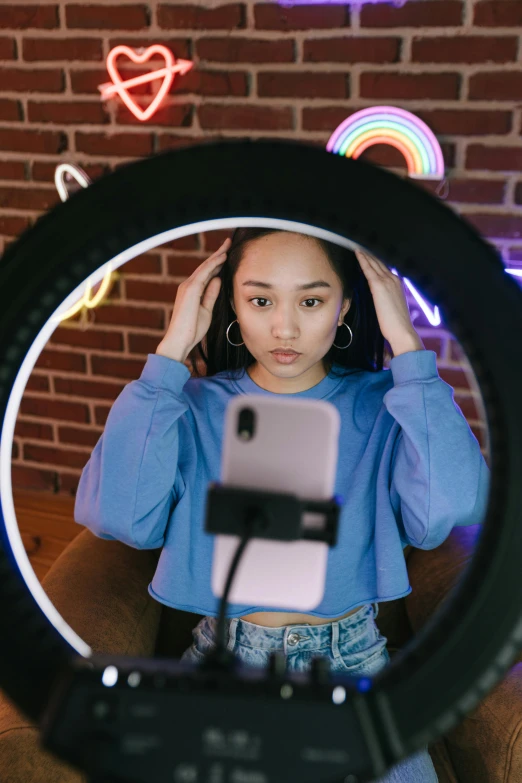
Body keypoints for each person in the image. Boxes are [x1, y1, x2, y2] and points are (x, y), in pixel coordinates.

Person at [74, 227, 490, 782]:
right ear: (232, 306)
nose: (284, 327)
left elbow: (453, 506)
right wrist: (171, 354)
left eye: (312, 301)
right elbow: (119, 516)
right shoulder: (192, 406)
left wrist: (408, 349)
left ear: (345, 308)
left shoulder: (385, 404)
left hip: (353, 668)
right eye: (260, 299)